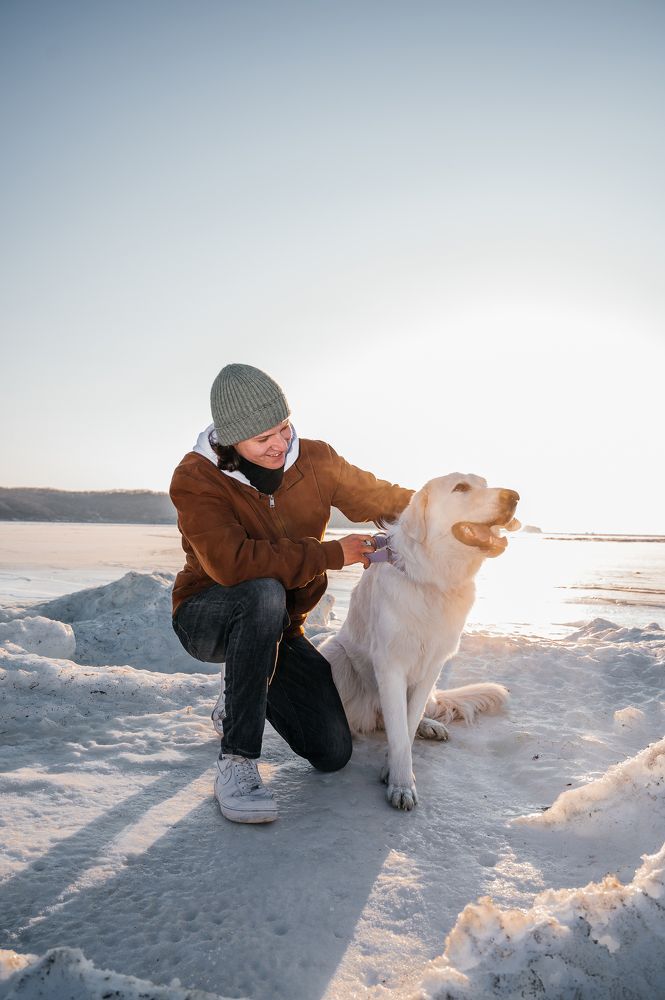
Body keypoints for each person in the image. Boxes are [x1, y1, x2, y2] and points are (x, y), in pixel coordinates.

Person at [170, 364, 413, 824]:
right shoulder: (196, 478)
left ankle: (244, 687)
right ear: (230, 439)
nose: (280, 444)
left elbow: (377, 496)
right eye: (263, 438)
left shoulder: (316, 460)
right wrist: (330, 555)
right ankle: (237, 761)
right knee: (261, 591)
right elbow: (231, 564)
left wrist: (444, 506)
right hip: (208, 612)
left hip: (279, 628)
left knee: (333, 752)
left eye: (283, 427)